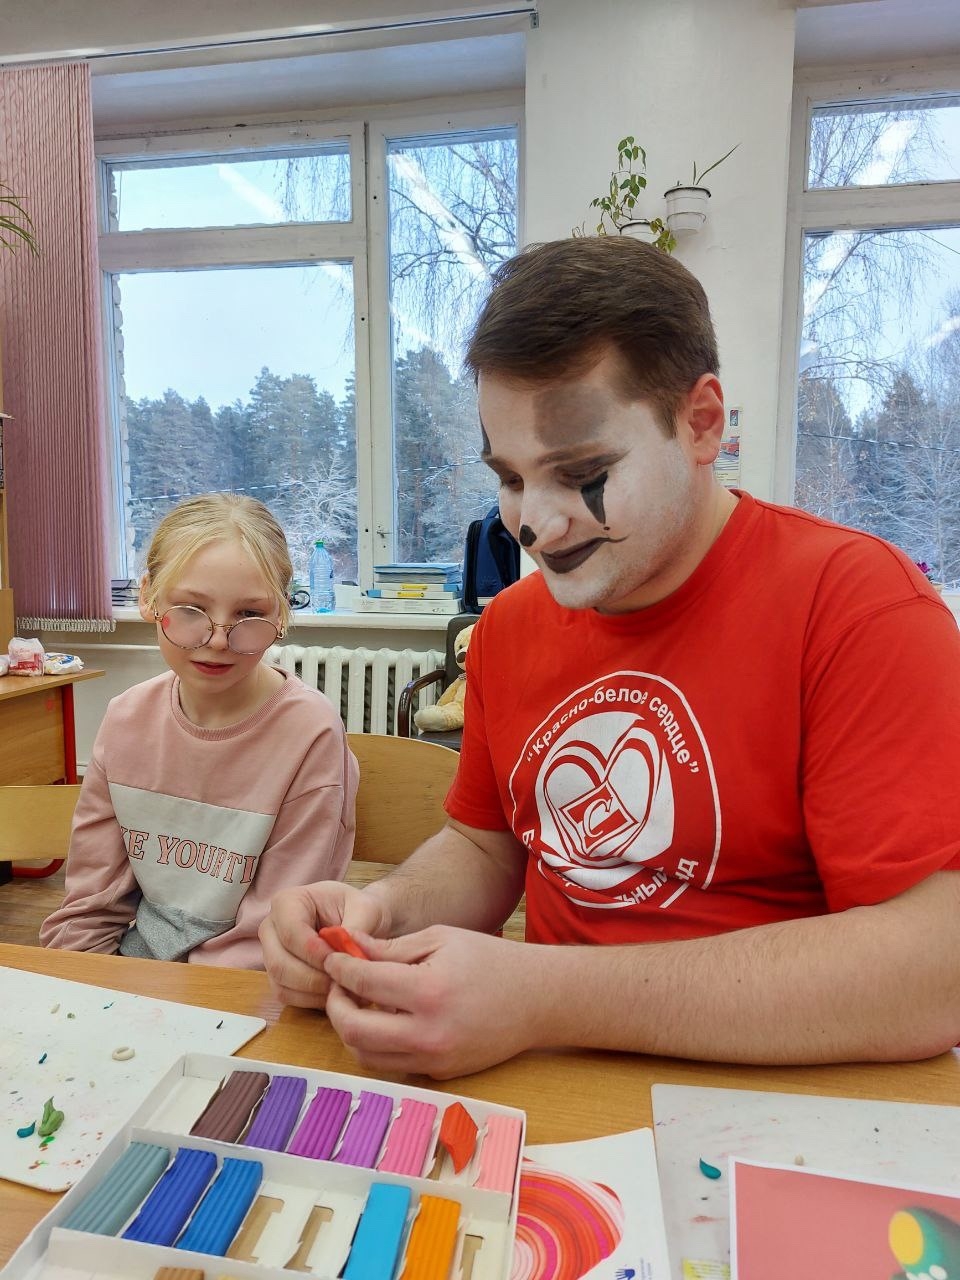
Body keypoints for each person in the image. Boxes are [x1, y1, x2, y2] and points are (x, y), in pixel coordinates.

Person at [260, 237, 960, 1077]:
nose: (535, 525)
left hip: (778, 1102)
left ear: (701, 424)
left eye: (581, 471)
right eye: (510, 478)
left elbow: (933, 972)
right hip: (552, 1082)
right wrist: (379, 913)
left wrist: (546, 996)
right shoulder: (511, 626)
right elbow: (486, 849)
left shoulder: (857, 607)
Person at [41, 493, 358, 967]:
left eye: (249, 615)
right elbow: (90, 907)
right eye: (191, 609)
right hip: (140, 973)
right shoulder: (127, 719)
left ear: (281, 615)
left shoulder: (310, 733)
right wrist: (81, 983)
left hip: (255, 981)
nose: (218, 640)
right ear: (149, 597)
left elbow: (277, 930)